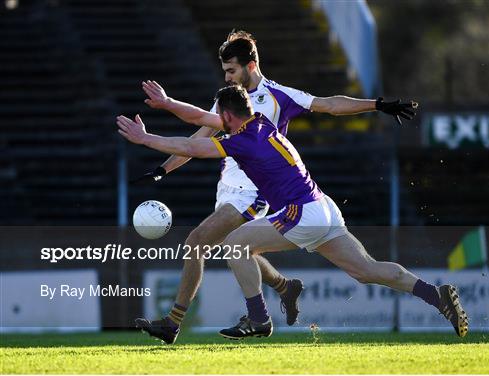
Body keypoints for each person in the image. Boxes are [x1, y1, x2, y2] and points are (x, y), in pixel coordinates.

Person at [117, 85, 468, 341]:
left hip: (302, 212)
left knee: (237, 245)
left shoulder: (240, 140)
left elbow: (190, 145)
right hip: (324, 208)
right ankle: (435, 295)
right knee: (366, 270)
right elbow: (198, 120)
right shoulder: (262, 124)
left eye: (219, 116)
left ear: (225, 116)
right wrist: (168, 105)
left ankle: (258, 318)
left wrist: (146, 139)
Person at [132, 30, 416, 344]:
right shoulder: (229, 100)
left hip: (254, 191)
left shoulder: (279, 96)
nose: (226, 77)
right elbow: (199, 136)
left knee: (197, 241)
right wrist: (162, 169)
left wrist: (376, 104)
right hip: (227, 187)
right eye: (224, 71)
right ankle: (284, 286)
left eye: (231, 70)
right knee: (238, 249)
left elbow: (330, 104)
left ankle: (174, 323)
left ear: (250, 65)